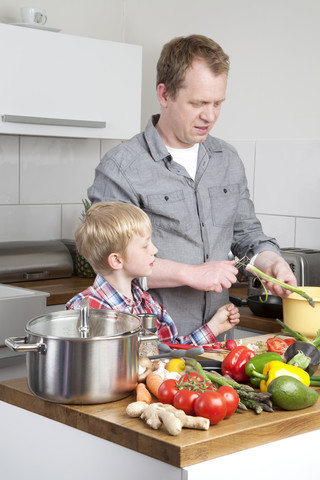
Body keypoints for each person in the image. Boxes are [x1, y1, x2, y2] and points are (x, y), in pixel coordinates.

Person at [87, 34, 296, 338]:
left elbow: (247, 235)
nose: (209, 116)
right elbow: (110, 262)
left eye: (217, 103)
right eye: (198, 103)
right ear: (165, 94)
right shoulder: (121, 168)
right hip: (148, 347)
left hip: (218, 342)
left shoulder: (227, 159)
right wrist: (190, 274)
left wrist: (272, 263)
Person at [66, 201, 240, 345]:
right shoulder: (85, 310)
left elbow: (168, 353)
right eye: (145, 245)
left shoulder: (148, 304)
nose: (154, 250)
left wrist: (213, 328)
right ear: (117, 260)